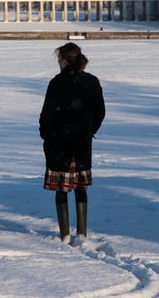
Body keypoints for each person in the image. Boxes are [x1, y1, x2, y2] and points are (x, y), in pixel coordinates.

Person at [39, 42, 105, 243]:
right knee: (80, 187)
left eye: (59, 60)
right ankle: (82, 232)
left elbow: (47, 114)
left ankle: (65, 233)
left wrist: (46, 134)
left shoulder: (57, 83)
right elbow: (100, 113)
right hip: (82, 141)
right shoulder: (92, 81)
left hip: (60, 142)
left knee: (61, 187)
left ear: (65, 61)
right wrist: (88, 130)